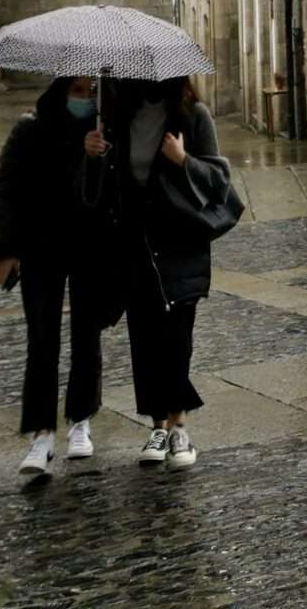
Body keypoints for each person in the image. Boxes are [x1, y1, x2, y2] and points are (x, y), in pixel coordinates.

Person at [0, 75, 118, 478]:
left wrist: (98, 158)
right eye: (78, 92)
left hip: (89, 244)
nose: (85, 98)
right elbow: (8, 188)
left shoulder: (105, 128)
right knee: (41, 339)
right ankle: (41, 433)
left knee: (85, 335)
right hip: (41, 246)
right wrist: (3, 250)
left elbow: (113, 192)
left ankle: (81, 420)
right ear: (61, 90)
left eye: (91, 91)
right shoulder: (31, 128)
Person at [107, 75, 233, 470]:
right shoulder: (119, 118)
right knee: (144, 336)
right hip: (135, 243)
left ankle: (180, 426)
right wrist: (95, 154)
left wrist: (183, 159)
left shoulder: (194, 116)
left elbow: (219, 181)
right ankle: (157, 426)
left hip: (180, 243)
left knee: (176, 337)